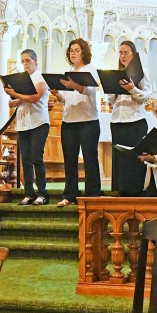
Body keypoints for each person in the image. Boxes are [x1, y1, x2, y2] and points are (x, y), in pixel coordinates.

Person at [51, 38, 101, 207]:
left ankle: (92, 194)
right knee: (70, 159)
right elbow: (65, 99)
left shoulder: (90, 69)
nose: (73, 53)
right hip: (69, 120)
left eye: (77, 50)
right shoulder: (69, 70)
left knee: (89, 158)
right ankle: (70, 194)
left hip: (88, 121)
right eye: (71, 50)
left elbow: (89, 91)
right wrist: (56, 93)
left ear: (84, 52)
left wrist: (73, 85)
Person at [5, 49, 50, 205]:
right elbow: (11, 103)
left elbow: (35, 97)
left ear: (35, 61)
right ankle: (29, 193)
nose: (25, 64)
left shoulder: (40, 78)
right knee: (25, 160)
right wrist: (16, 95)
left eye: (28, 61)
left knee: (37, 158)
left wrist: (17, 95)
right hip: (23, 123)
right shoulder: (21, 79)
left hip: (39, 122)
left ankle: (42, 193)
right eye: (22, 61)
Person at [109, 41, 151, 197]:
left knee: (134, 158)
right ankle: (121, 190)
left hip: (134, 120)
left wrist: (132, 89)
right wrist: (110, 87)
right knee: (120, 158)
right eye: (120, 53)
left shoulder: (141, 71)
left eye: (126, 52)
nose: (122, 56)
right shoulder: (117, 72)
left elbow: (146, 96)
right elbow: (111, 100)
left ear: (134, 54)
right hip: (117, 121)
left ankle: (135, 192)